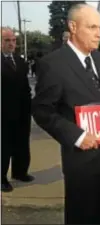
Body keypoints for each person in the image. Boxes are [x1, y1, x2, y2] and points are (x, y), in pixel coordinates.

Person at [32, 4, 100, 224]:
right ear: (73, 27)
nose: (99, 33)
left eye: (99, 27)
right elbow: (42, 111)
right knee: (81, 216)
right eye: (92, 27)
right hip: (80, 161)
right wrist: (77, 136)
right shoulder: (53, 64)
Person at [1, 27, 34, 192]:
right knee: (4, 146)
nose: (11, 44)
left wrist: (30, 106)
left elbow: (25, 87)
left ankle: (20, 172)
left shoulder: (20, 61)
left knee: (21, 143)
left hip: (22, 111)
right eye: (7, 40)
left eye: (13, 40)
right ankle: (1, 178)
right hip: (3, 113)